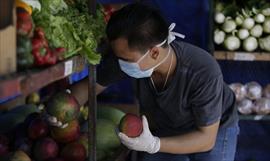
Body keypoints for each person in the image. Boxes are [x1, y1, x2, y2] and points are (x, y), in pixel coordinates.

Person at [71, 3, 239, 161]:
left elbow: (206, 139)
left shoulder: (202, 71)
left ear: (154, 53)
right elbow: (87, 88)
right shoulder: (126, 59)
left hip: (213, 129)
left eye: (125, 59)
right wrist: (63, 108)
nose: (120, 63)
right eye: (119, 57)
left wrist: (154, 144)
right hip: (167, 124)